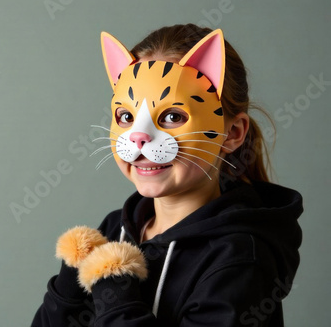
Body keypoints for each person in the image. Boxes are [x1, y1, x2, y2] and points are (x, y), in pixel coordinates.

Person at [31, 24, 303, 327]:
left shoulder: (241, 258)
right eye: (126, 117)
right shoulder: (114, 229)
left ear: (232, 133)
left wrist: (112, 283)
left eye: (173, 116)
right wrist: (71, 282)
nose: (139, 136)